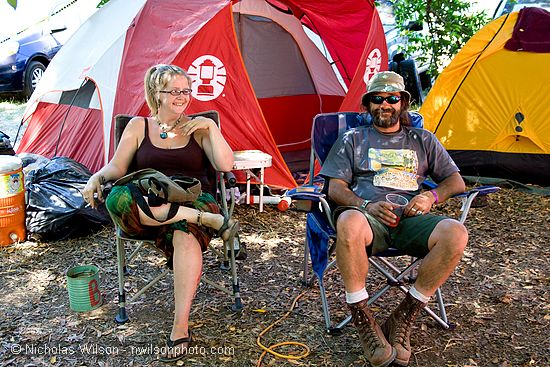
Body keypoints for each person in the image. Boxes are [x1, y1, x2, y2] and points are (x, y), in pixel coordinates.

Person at [82, 64, 238, 363]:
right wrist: (96, 177)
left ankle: (180, 326)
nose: (182, 97)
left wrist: (213, 128)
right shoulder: (139, 126)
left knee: (185, 235)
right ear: (157, 93)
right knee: (117, 198)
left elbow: (225, 165)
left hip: (193, 198)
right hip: (147, 202)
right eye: (175, 91)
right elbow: (117, 168)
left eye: (186, 91)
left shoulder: (198, 126)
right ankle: (204, 221)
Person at [319, 71, 467, 367]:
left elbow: (456, 182)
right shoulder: (352, 139)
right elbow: (335, 188)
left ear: (403, 102)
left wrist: (429, 197)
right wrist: (365, 205)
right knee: (347, 221)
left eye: (391, 98)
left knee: (456, 233)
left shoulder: (422, 139)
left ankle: (404, 315)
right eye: (377, 98)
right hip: (368, 220)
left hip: (411, 219)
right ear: (367, 104)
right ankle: (364, 320)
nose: (384, 104)